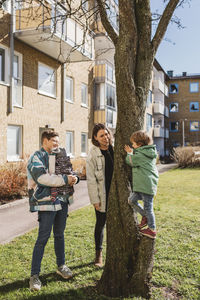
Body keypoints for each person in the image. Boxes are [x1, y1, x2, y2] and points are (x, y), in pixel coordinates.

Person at [27, 130, 79, 291]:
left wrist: (74, 178)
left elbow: (68, 171)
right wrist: (65, 179)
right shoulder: (36, 157)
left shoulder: (60, 156)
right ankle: (34, 276)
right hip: (47, 203)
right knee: (42, 238)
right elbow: (42, 178)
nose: (57, 144)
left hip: (62, 201)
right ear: (45, 141)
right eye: (53, 141)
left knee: (59, 235)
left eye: (58, 141)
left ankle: (61, 266)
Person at [86, 123, 114, 267]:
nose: (106, 137)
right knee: (100, 224)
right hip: (102, 196)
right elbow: (90, 180)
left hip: (117, 195)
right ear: (96, 138)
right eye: (102, 135)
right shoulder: (93, 155)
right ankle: (99, 255)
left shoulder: (116, 149)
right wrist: (95, 200)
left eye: (107, 133)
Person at [124, 130, 159, 239]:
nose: (132, 146)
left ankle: (152, 229)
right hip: (142, 186)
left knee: (148, 207)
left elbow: (130, 161)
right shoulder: (146, 152)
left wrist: (129, 153)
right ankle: (144, 216)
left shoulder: (142, 155)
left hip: (146, 186)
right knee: (131, 200)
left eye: (133, 144)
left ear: (139, 145)